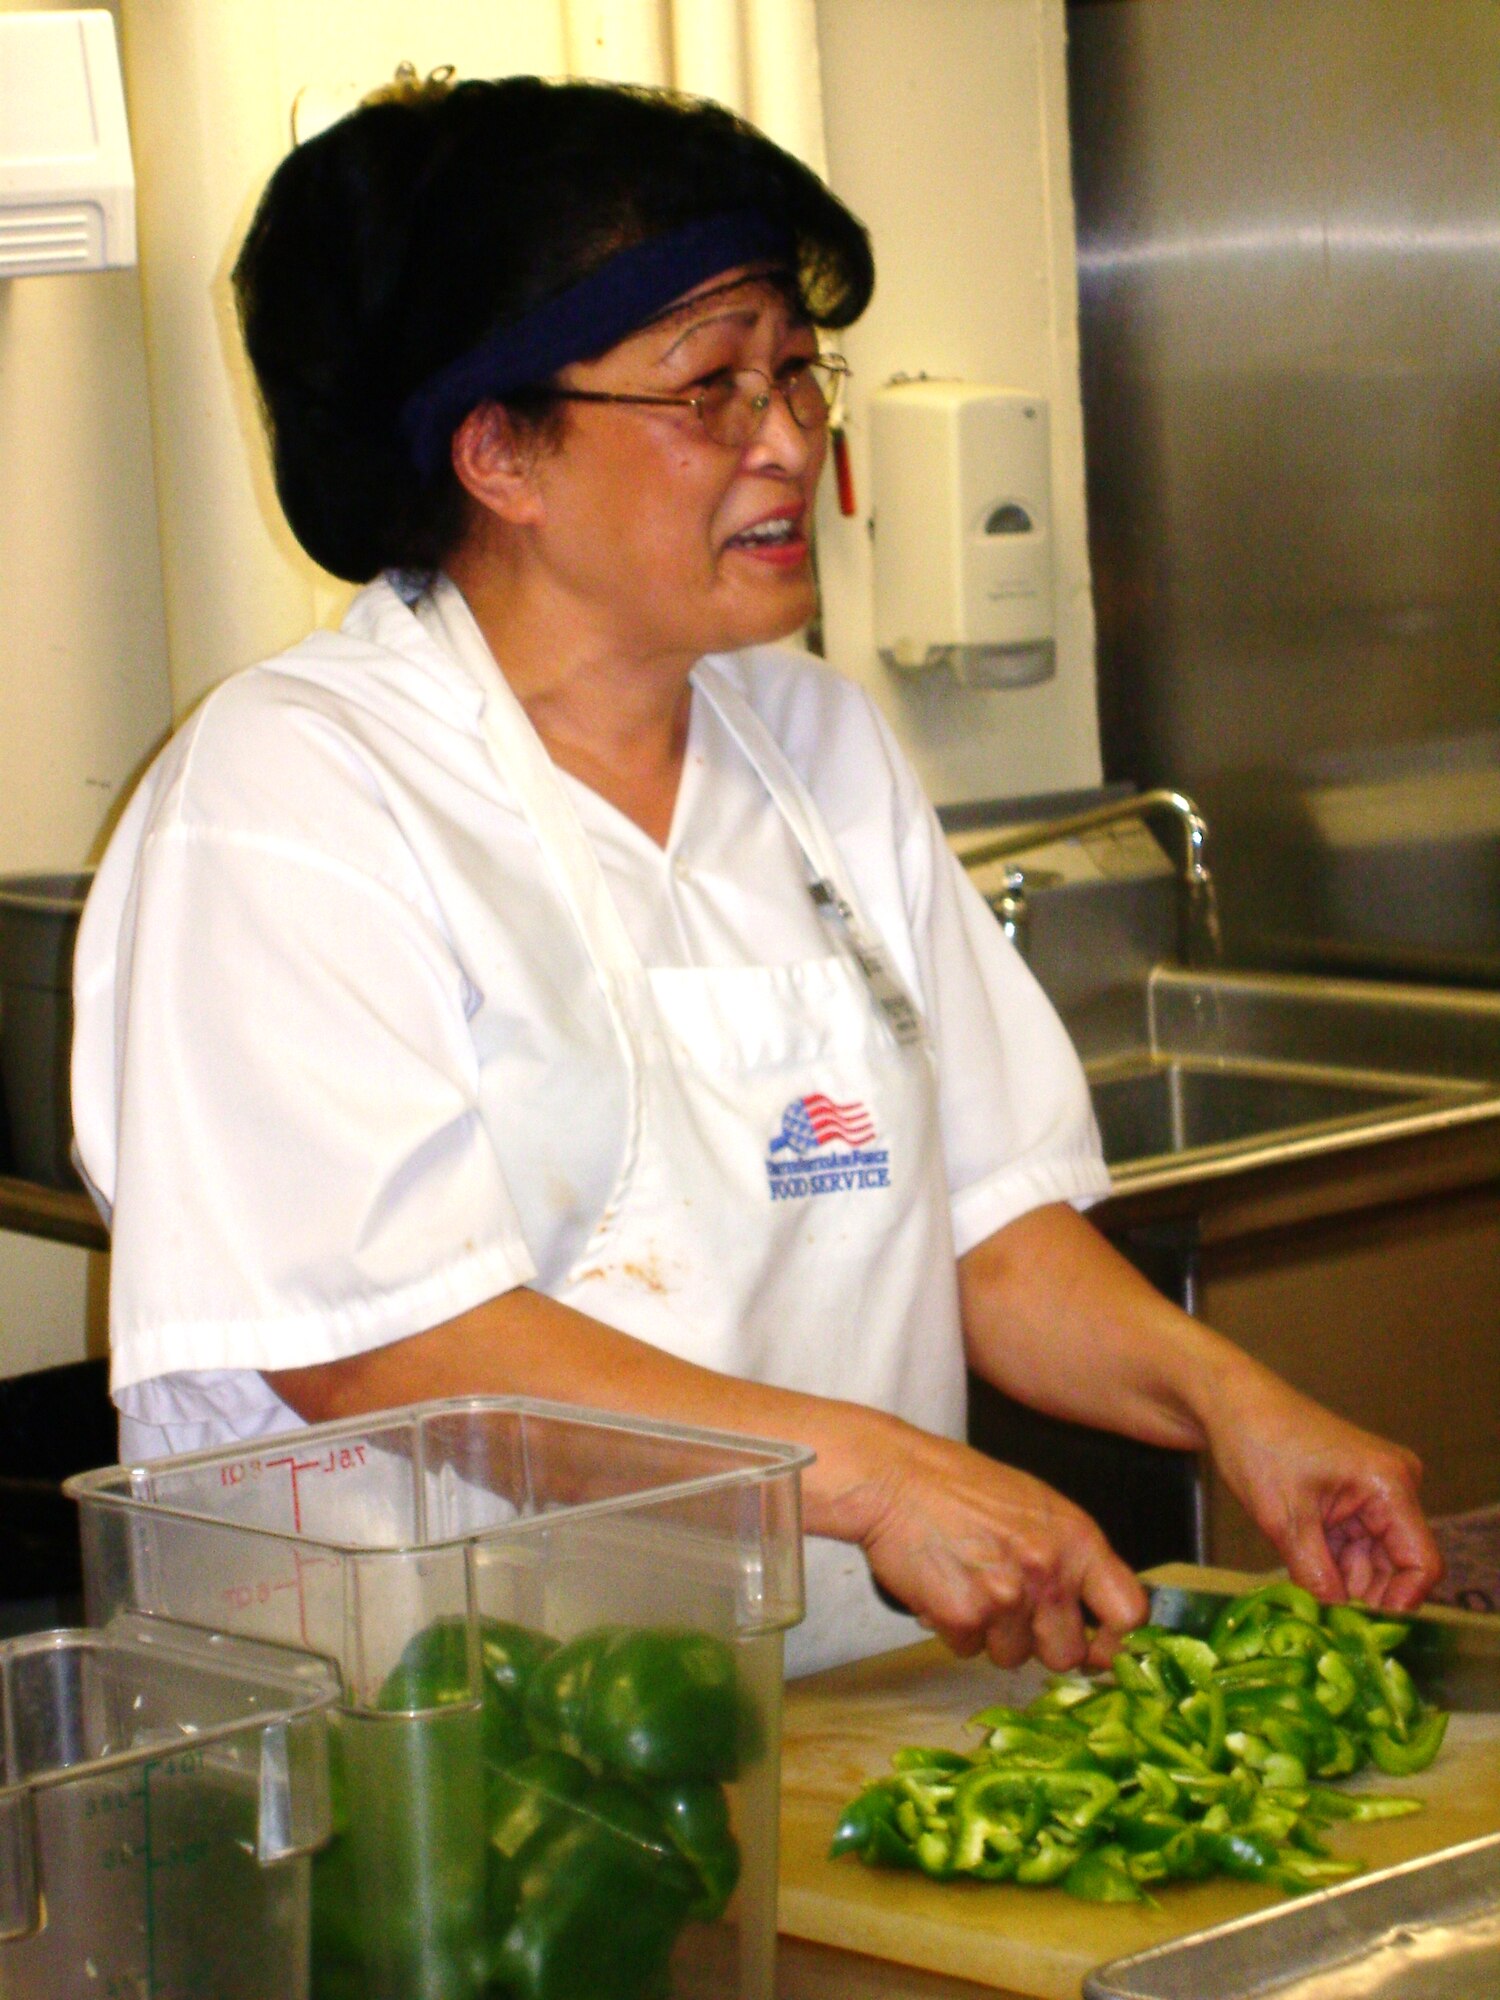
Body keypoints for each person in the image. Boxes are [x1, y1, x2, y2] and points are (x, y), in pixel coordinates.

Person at [71, 72, 1440, 1678]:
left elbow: (984, 1221)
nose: (791, 438)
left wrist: (1237, 1406)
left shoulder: (817, 745)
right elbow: (379, 1348)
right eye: (711, 387)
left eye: (798, 372)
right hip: (444, 1784)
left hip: (827, 1731)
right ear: (497, 450)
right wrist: (873, 1474)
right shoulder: (293, 788)